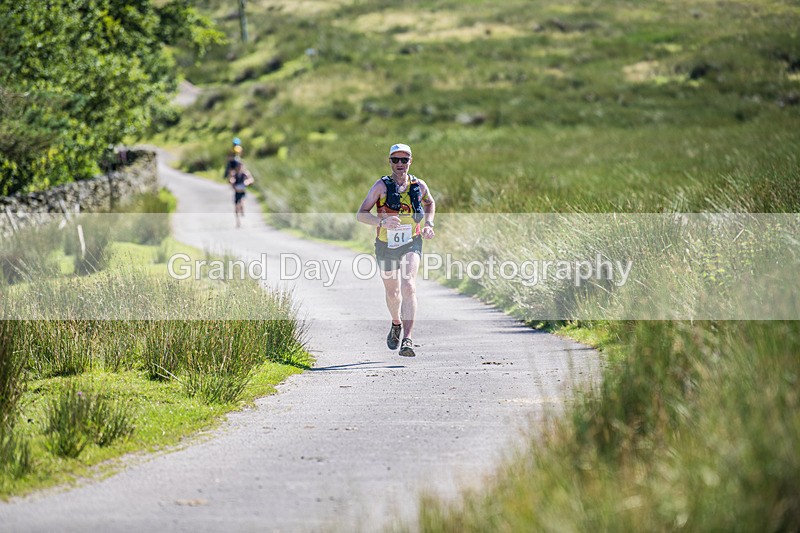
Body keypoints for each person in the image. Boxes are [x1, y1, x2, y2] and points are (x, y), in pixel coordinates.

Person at [356, 143, 436, 357]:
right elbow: (361, 213)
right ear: (389, 161)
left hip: (412, 241)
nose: (400, 164)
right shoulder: (380, 186)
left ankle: (408, 340)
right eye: (395, 160)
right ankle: (396, 323)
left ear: (411, 161)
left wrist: (429, 224)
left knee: (409, 284)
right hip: (386, 245)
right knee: (393, 293)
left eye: (404, 160)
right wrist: (381, 222)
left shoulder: (419, 185)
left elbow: (430, 203)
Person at [229, 160, 254, 227]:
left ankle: (242, 210)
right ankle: (238, 221)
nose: (240, 168)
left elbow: (251, 179)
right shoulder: (234, 174)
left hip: (242, 191)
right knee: (236, 207)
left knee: (242, 202)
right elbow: (231, 180)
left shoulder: (245, 174)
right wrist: (232, 182)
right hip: (237, 192)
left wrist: (247, 182)